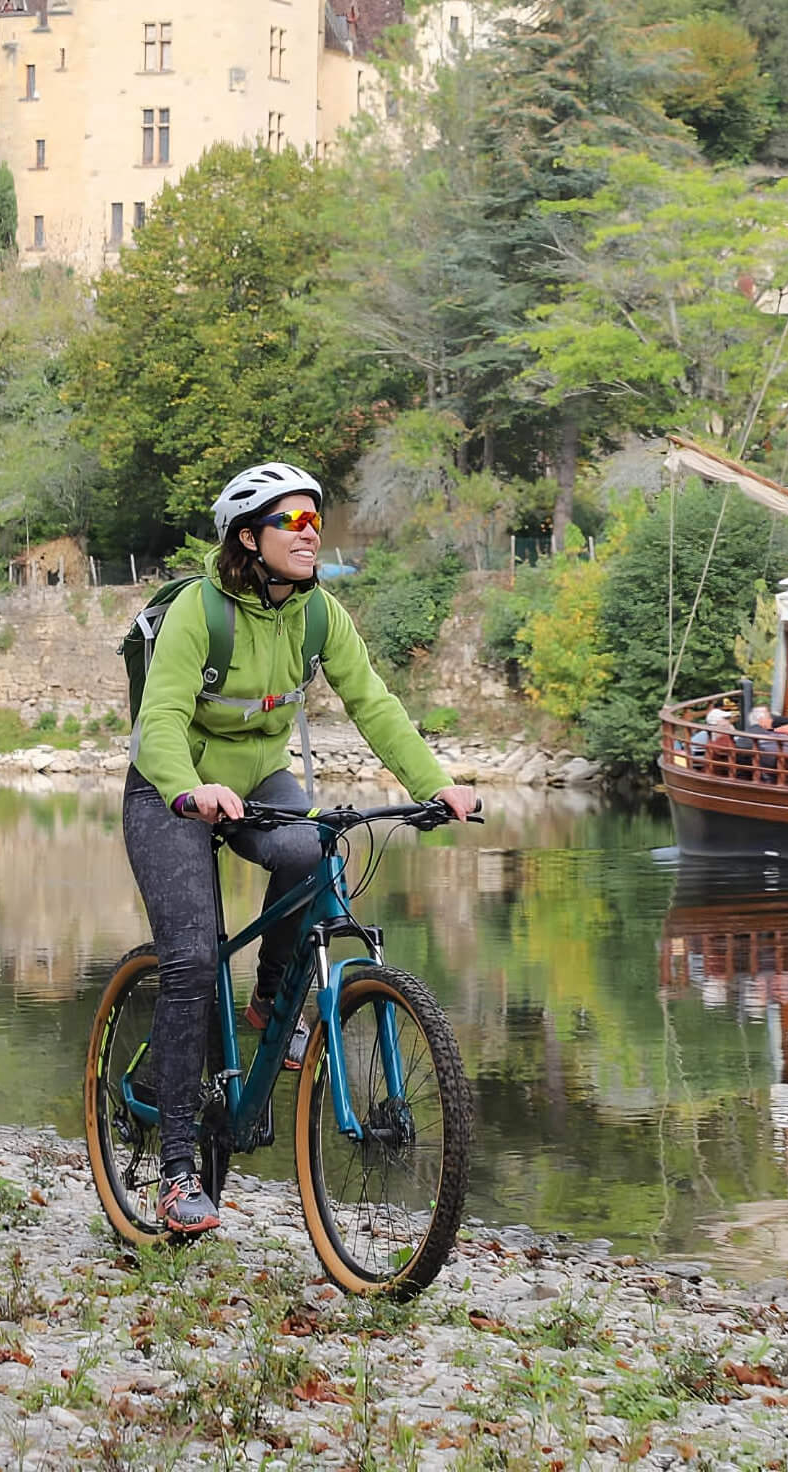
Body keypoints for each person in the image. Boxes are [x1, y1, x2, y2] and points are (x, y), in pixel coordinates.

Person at [127, 462, 480, 1237]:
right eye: (292, 522)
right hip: (171, 791)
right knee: (189, 960)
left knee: (319, 848)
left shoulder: (320, 613)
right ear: (248, 539)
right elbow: (158, 724)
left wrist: (437, 783)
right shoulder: (199, 610)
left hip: (258, 781)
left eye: (315, 521)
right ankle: (179, 1172)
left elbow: (374, 704)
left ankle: (272, 998)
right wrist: (189, 789)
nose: (310, 532)